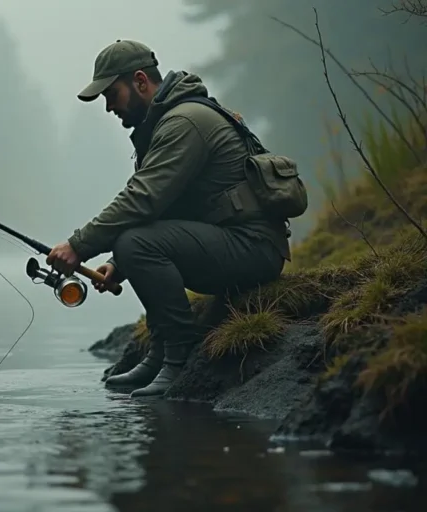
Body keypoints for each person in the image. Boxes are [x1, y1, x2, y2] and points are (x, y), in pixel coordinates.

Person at [46, 39, 297, 398]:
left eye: (111, 94)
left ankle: (180, 357)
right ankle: (161, 351)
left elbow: (142, 201)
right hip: (232, 243)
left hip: (253, 249)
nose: (108, 107)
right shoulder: (168, 123)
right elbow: (163, 207)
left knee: (136, 241)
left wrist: (77, 246)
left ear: (140, 81)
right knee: (131, 244)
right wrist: (117, 264)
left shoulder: (185, 123)